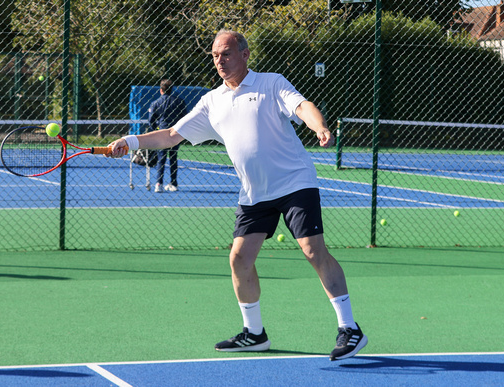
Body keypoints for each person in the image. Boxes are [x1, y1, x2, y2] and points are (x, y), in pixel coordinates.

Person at [107, 30, 367, 361]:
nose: (220, 61)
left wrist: (319, 127)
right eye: (215, 55)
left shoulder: (271, 83)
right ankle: (254, 334)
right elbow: (172, 135)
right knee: (239, 259)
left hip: (294, 182)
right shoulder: (211, 102)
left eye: (226, 54)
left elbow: (302, 106)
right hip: (254, 192)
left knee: (313, 251)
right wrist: (131, 142)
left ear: (244, 54)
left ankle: (350, 329)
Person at [148, 79, 188, 193]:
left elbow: (151, 121)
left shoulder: (156, 103)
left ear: (161, 90)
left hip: (162, 133)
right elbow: (185, 117)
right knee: (173, 158)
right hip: (175, 133)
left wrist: (157, 129)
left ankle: (159, 183)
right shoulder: (179, 101)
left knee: (161, 159)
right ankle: (173, 183)